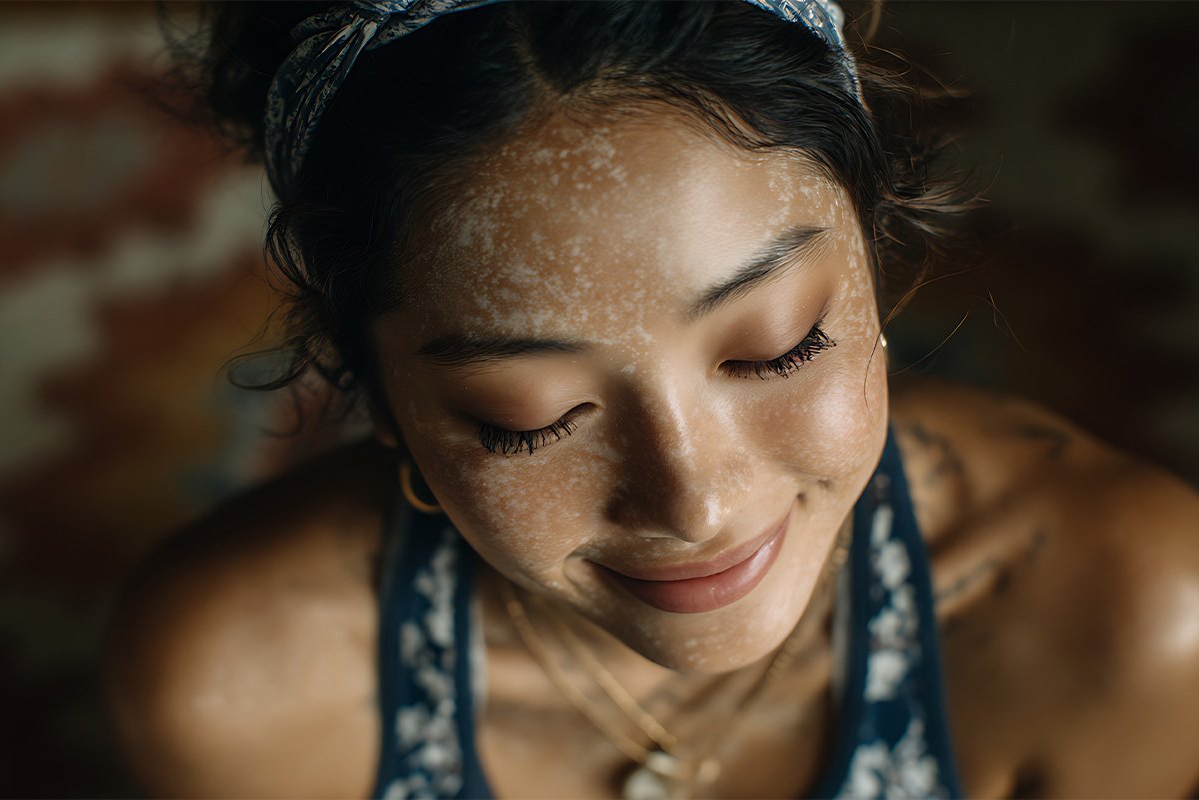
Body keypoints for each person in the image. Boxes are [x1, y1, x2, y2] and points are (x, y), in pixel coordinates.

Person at [105, 1, 1199, 798]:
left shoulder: (1130, 616)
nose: (692, 501)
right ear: (377, 393)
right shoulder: (236, 684)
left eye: (777, 348)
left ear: (876, 255)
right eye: (525, 415)